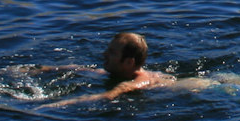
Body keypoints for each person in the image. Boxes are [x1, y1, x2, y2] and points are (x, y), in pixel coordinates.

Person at [44, 33, 177, 107]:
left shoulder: (140, 81)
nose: (104, 54)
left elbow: (110, 95)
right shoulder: (119, 71)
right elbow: (81, 69)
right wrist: (45, 69)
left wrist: (57, 105)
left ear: (128, 62)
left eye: (112, 52)